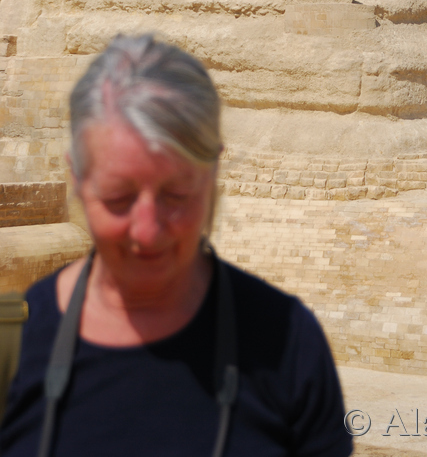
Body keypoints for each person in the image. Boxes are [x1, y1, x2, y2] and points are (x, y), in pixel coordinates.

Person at [0, 35, 352, 457]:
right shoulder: (13, 347)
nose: (147, 232)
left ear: (214, 171)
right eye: (118, 198)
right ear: (75, 178)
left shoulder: (288, 347)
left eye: (177, 195)